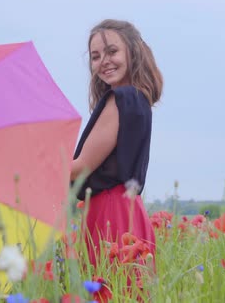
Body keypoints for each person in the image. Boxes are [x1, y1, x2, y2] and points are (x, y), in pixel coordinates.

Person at [70, 19, 163, 270]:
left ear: (132, 52)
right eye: (96, 56)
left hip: (110, 214)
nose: (104, 61)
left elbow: (81, 167)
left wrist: (35, 164)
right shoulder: (138, 100)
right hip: (130, 212)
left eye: (112, 51)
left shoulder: (121, 99)